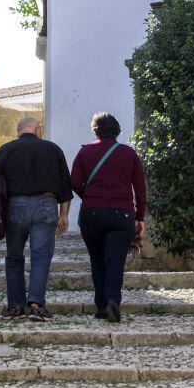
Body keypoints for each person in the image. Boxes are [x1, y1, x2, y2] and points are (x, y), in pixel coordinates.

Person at [0, 117, 72, 321]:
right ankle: (36, 304)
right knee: (41, 257)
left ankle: (15, 306)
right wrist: (64, 215)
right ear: (38, 130)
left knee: (14, 257)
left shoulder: (6, 150)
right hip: (47, 205)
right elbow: (66, 185)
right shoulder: (53, 149)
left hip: (17, 206)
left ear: (18, 131)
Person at [70, 112, 147, 323]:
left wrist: (91, 196)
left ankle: (101, 305)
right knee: (115, 261)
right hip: (121, 214)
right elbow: (140, 190)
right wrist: (139, 217)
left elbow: (75, 181)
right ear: (117, 130)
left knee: (97, 261)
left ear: (95, 130)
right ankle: (113, 300)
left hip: (92, 214)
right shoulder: (129, 154)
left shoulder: (84, 153)